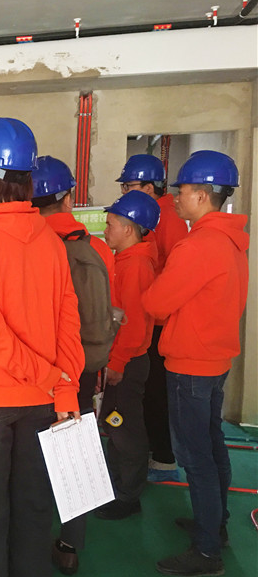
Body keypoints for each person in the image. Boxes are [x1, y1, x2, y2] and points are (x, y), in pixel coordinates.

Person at [0, 118, 84, 577]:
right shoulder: (50, 241)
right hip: (40, 402)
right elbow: (69, 323)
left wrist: (46, 377)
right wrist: (62, 386)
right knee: (32, 511)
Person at [143, 150, 248, 577]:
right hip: (216, 359)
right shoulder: (231, 241)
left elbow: (156, 303)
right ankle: (215, 525)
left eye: (181, 190)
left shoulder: (198, 246)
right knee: (212, 444)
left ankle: (206, 552)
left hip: (190, 364)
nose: (175, 198)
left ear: (202, 195)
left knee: (195, 456)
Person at [31, 155, 115, 575]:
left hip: (34, 371)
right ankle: (68, 545)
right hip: (81, 369)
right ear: (66, 199)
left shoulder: (27, 246)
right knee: (76, 455)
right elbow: (108, 310)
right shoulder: (95, 248)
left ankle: (25, 541)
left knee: (27, 459)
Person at [117, 154, 189, 483]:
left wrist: (151, 299)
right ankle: (151, 453)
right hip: (149, 317)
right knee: (147, 393)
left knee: (156, 392)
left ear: (149, 187)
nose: (124, 192)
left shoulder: (167, 218)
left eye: (129, 186)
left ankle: (162, 458)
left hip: (157, 321)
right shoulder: (155, 215)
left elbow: (175, 273)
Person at [95, 190, 159, 522]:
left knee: (125, 429)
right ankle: (116, 487)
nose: (106, 231)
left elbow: (134, 325)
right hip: (119, 359)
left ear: (129, 229)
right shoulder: (124, 261)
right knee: (114, 423)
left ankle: (128, 495)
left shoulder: (136, 266)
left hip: (128, 362)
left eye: (110, 225)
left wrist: (117, 363)